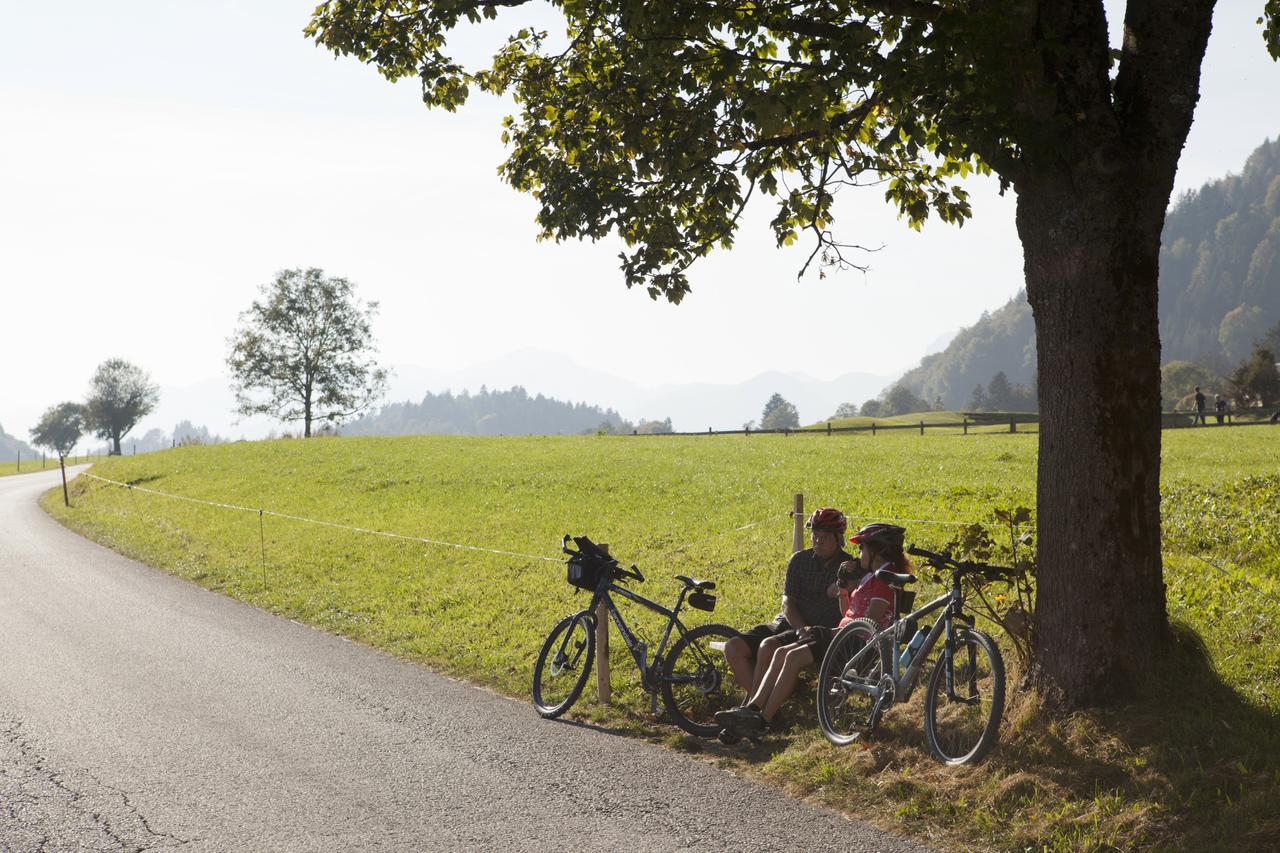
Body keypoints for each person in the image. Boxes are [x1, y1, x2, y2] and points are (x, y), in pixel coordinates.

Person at [715, 522, 908, 739]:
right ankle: (752, 710)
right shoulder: (870, 577)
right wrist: (844, 593)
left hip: (856, 646)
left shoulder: (884, 579)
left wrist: (830, 633)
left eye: (862, 548)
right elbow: (849, 614)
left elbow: (869, 622)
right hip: (843, 638)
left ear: (876, 551)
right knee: (780, 652)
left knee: (792, 656)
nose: (860, 553)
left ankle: (761, 719)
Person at [721, 508, 850, 698]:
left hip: (819, 631)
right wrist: (800, 629)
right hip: (789, 625)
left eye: (825, 537)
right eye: (815, 535)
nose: (818, 541)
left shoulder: (848, 567)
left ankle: (755, 709)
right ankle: (761, 707)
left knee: (769, 646)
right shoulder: (799, 560)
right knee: (733, 647)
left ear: (839, 539)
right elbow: (788, 603)